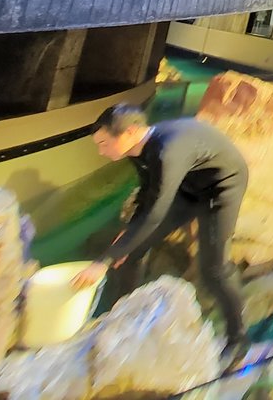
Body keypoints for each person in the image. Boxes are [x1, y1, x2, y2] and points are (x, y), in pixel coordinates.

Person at [72, 105, 249, 364]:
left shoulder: (167, 150)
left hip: (221, 187)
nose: (101, 151)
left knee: (214, 269)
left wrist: (104, 261)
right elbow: (148, 193)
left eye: (104, 143)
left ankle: (239, 338)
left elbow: (155, 213)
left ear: (130, 132)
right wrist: (125, 240)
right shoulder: (136, 149)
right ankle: (121, 318)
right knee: (130, 250)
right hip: (187, 185)